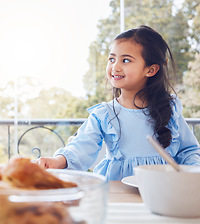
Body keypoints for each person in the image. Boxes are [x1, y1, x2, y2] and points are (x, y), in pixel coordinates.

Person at [37, 25, 200, 181]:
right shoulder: (104, 114)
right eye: (112, 59)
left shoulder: (169, 109)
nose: (115, 67)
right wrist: (58, 160)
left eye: (126, 60)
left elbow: (189, 150)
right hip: (118, 189)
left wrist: (193, 172)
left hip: (163, 189)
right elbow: (81, 147)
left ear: (150, 70)